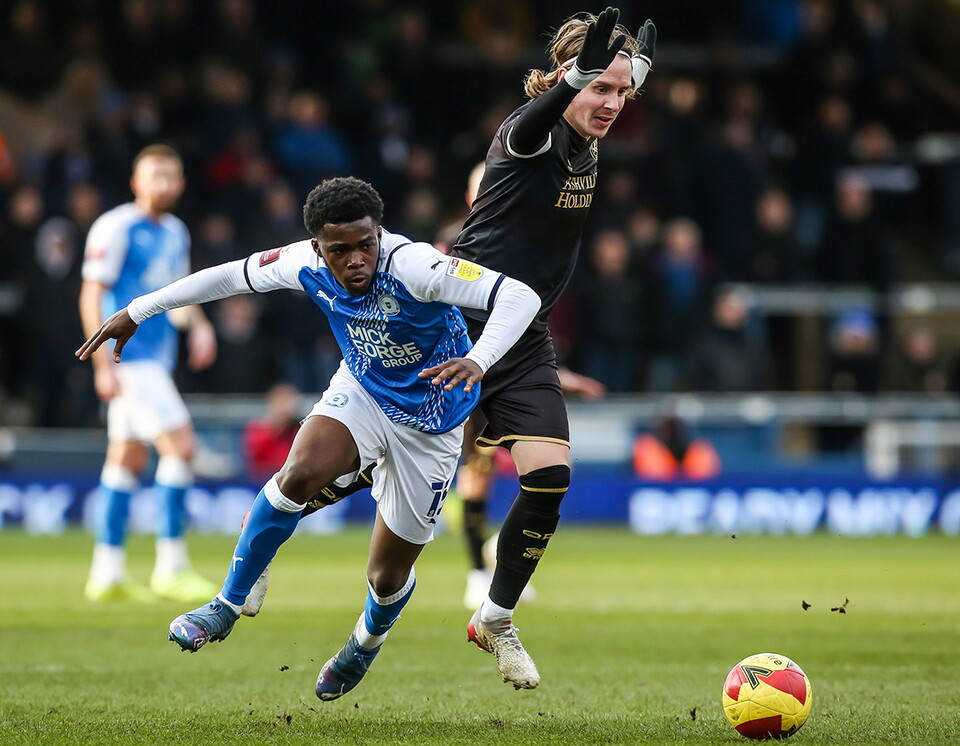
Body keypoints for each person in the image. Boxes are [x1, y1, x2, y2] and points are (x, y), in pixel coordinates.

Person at [248, 6, 655, 690]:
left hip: (521, 337)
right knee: (352, 468)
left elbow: (607, 88)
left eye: (623, 93)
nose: (613, 104)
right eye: (600, 89)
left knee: (550, 476)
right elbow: (532, 120)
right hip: (454, 325)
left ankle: (494, 618)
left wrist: (627, 70)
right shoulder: (525, 137)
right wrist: (574, 81)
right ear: (567, 78)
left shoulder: (589, 135)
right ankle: (258, 552)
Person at [76, 176, 540, 699]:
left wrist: (479, 361)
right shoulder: (300, 261)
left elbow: (520, 297)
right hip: (363, 390)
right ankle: (226, 604)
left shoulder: (415, 266)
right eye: (340, 250)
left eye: (367, 244)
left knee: (387, 577)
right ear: (319, 248)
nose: (357, 259)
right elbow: (228, 277)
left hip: (433, 424)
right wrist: (137, 310)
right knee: (297, 473)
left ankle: (364, 643)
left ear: (379, 233)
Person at [78, 143, 220, 603]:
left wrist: (197, 326)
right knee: (181, 446)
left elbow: (176, 296)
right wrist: (102, 365)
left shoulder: (176, 231)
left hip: (155, 360)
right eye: (154, 176)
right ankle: (170, 567)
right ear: (136, 183)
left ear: (180, 184)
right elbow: (92, 295)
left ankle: (107, 573)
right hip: (130, 362)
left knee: (127, 459)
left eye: (171, 177)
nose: (163, 185)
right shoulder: (116, 226)